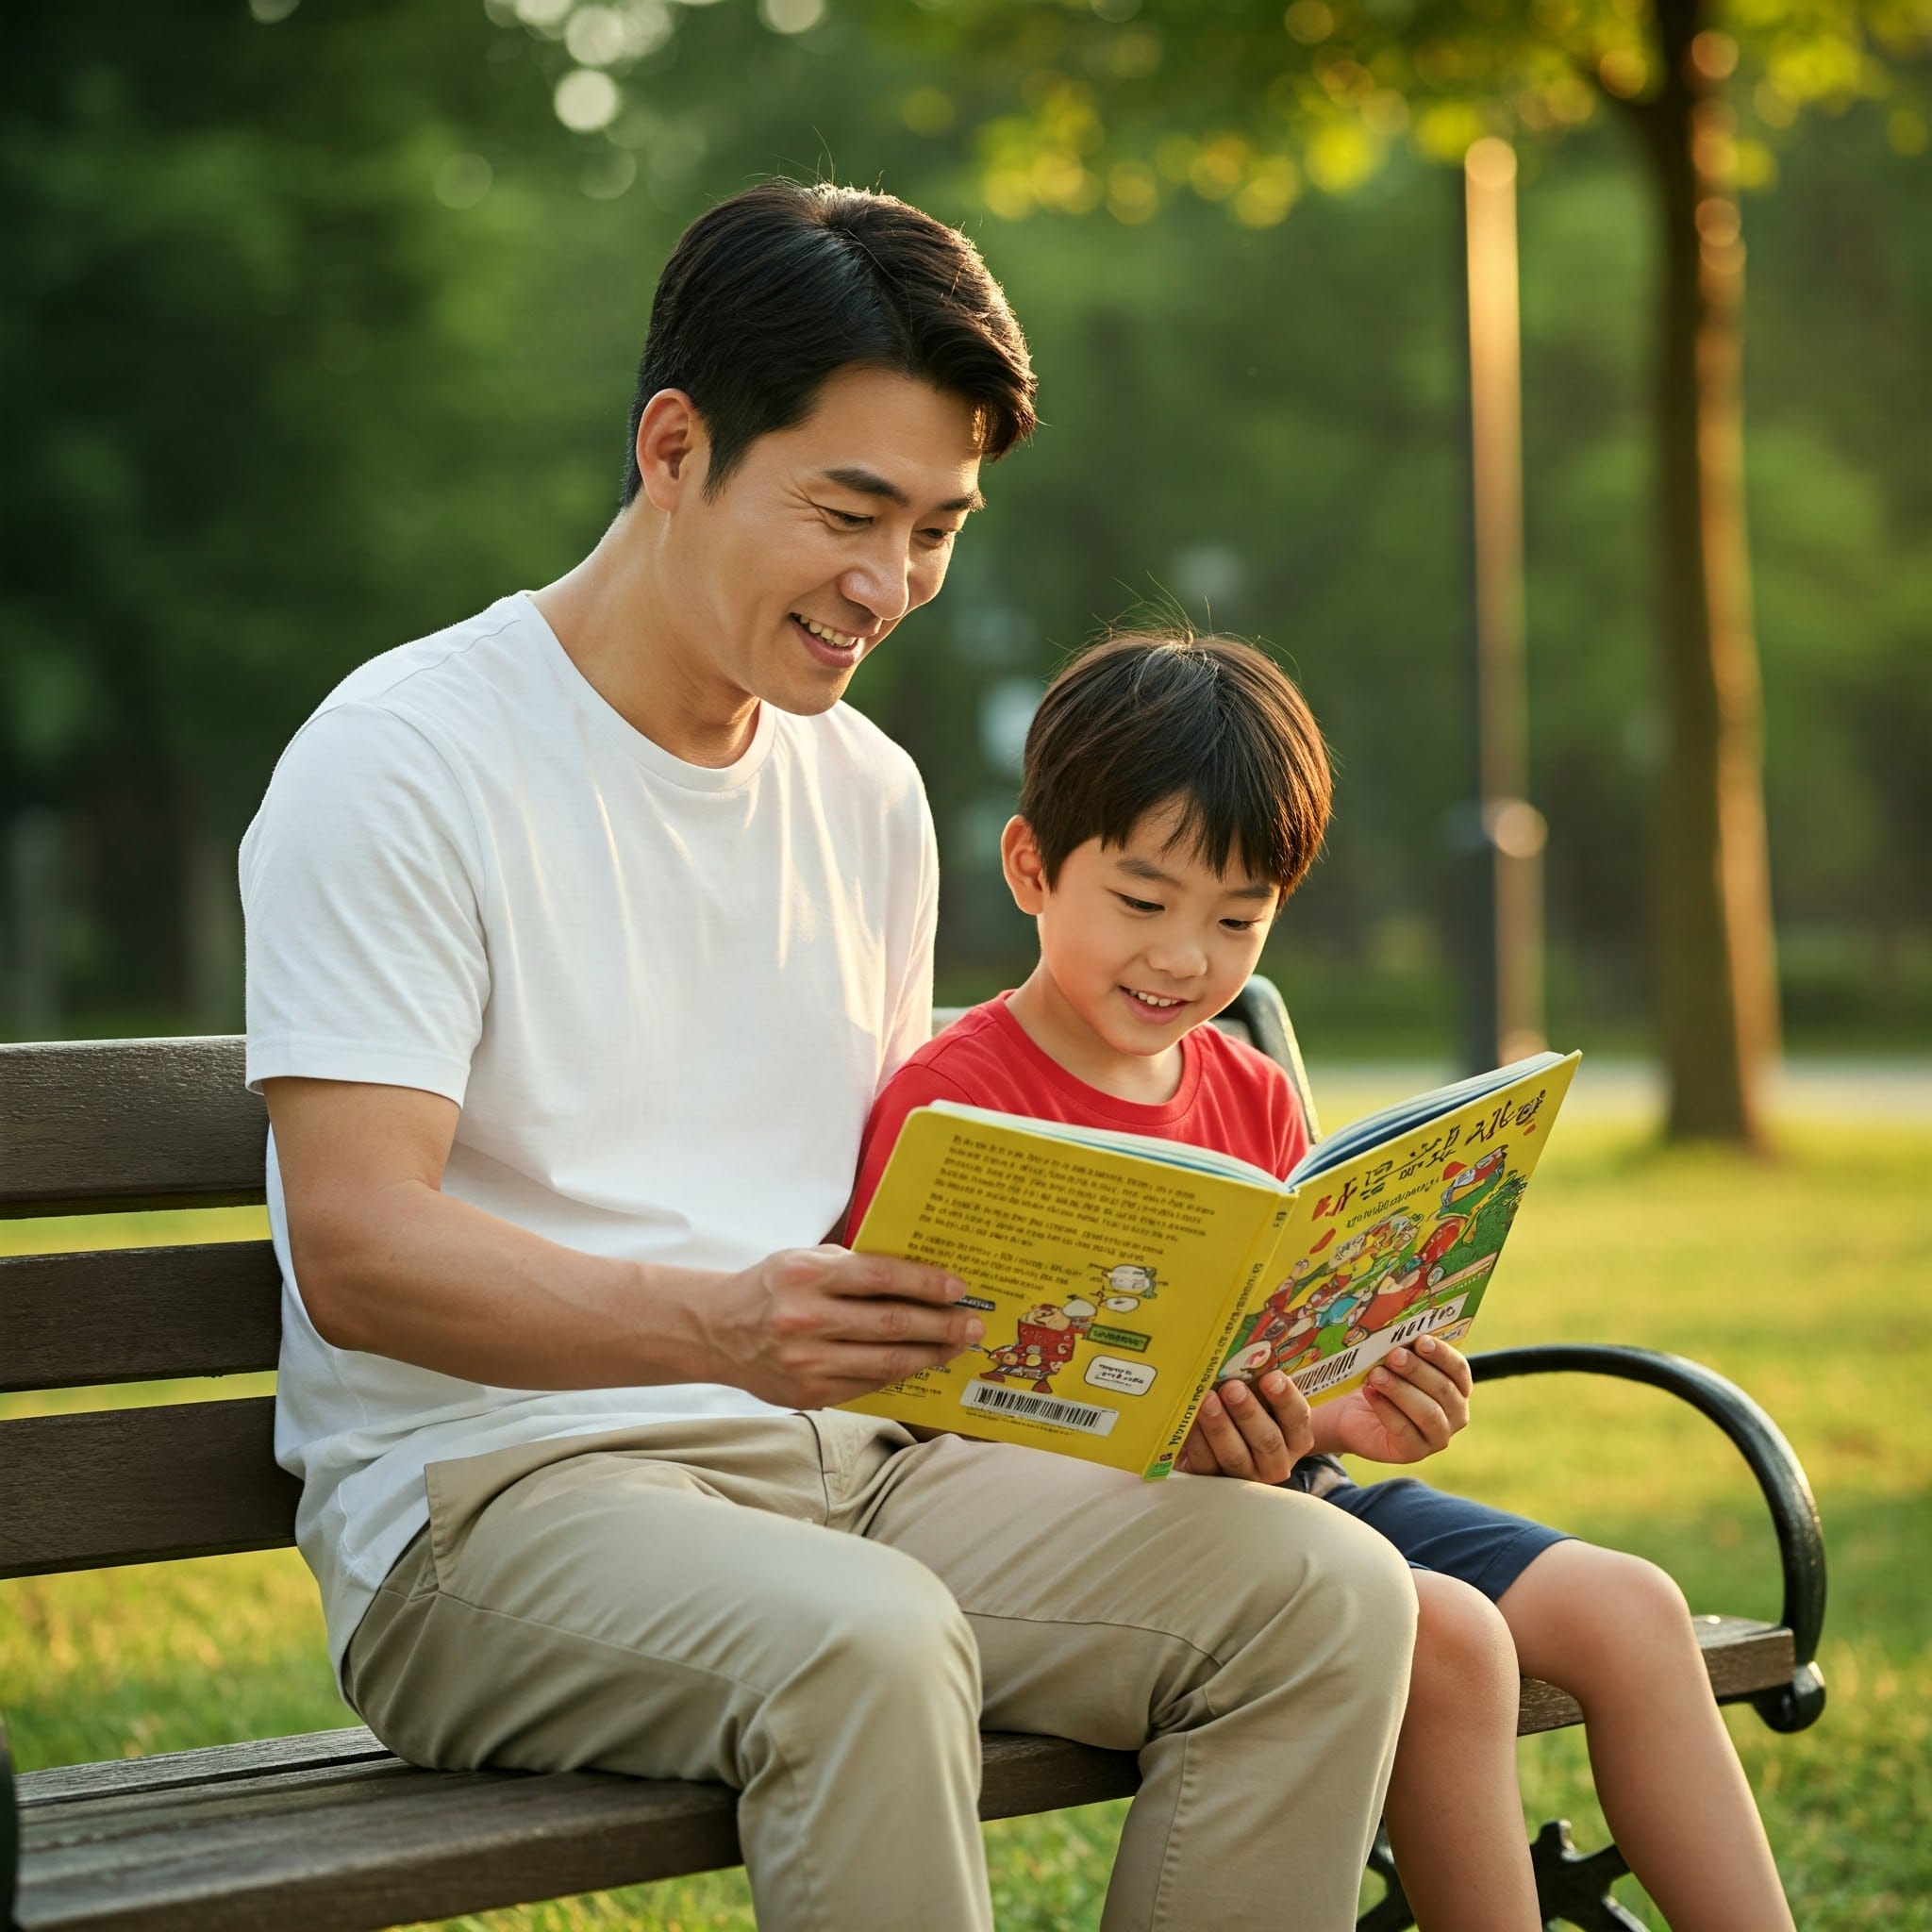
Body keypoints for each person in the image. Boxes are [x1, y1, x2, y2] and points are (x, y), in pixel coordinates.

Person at [241, 181, 1421, 1932]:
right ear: (672, 447)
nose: (892, 586)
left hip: (855, 1472)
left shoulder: (861, 791)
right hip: (493, 1509)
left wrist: (1200, 1399)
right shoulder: (406, 758)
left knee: (1326, 1592)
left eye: (940, 527)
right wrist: (719, 1327)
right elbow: (355, 1250)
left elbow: (927, 1234)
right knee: (868, 1647)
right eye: (849, 511)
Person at [847, 631, 1798, 1932]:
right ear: (1031, 868)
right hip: (1103, 1553)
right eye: (1142, 902)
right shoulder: (957, 1103)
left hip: (1301, 1493)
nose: (1186, 958)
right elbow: (898, 1396)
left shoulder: (1246, 1087)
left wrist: (1361, 1403)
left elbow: (1295, 1350)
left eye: (1238, 920)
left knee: (1630, 1604)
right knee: (1451, 1637)